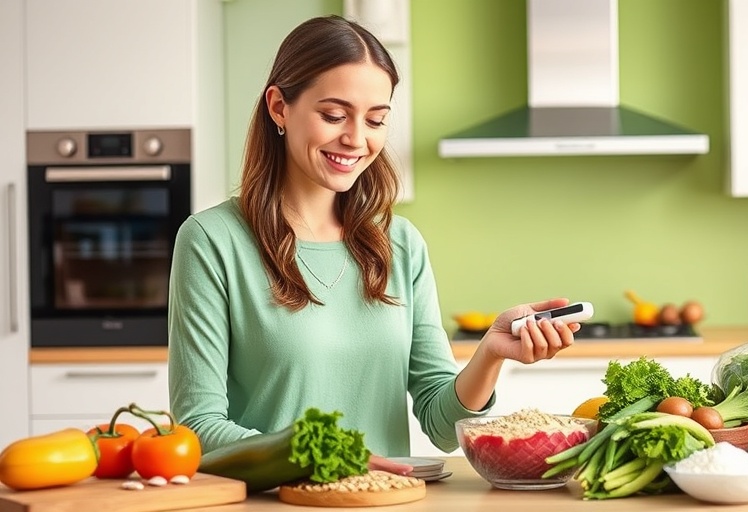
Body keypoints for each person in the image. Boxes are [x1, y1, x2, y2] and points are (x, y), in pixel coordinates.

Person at [166, 15, 580, 470]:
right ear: (279, 107)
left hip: (386, 499)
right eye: (334, 115)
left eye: (376, 120)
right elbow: (199, 428)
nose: (356, 139)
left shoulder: (398, 243)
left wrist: (491, 354)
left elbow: (442, 427)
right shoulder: (212, 241)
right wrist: (338, 456)